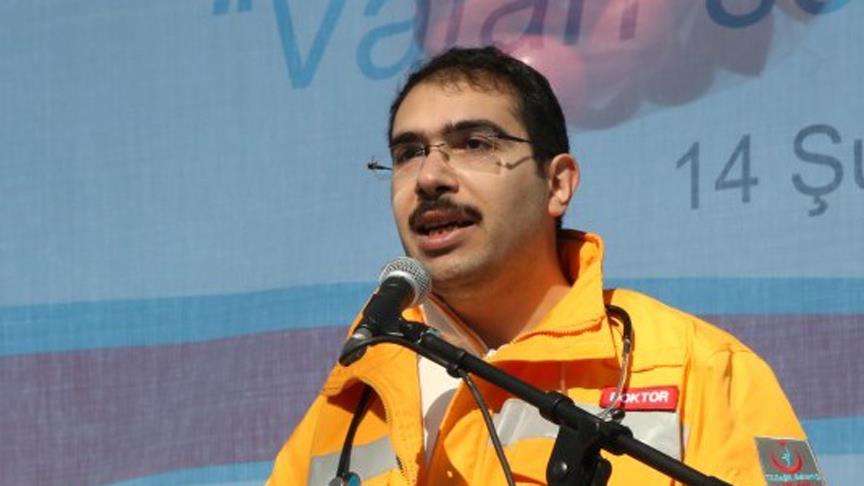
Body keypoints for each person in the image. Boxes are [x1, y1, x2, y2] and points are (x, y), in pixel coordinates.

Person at [268, 46, 818, 485]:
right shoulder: (350, 401)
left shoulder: (699, 369)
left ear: (557, 184)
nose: (429, 177)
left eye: (473, 143)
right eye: (409, 153)